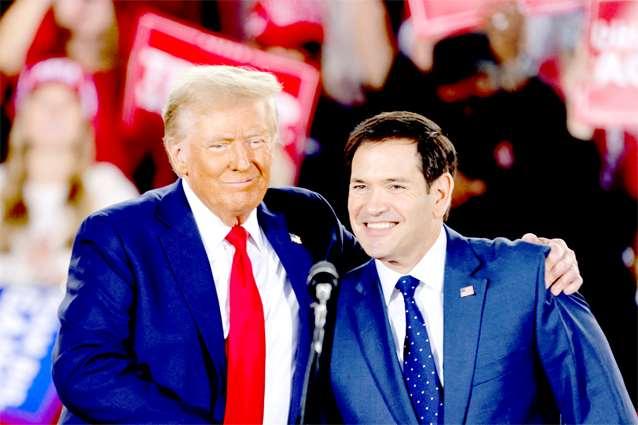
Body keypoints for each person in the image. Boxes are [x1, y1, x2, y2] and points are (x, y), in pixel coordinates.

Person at [52, 66, 582, 424]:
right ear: (178, 154)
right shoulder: (120, 235)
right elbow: (86, 369)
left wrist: (515, 259)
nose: (243, 160)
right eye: (220, 145)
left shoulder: (306, 218)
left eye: (257, 140)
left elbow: (402, 255)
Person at [326, 111, 637, 424]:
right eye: (361, 186)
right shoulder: (330, 307)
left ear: (440, 194)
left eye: (395, 186)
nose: (373, 206)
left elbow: (605, 412)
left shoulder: (530, 275)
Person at [0, 57, 137, 287]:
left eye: (67, 103)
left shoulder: (107, 186)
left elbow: (137, 263)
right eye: (42, 102)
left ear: (84, 119)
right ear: (22, 115)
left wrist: (57, 268)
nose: (54, 112)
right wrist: (25, 270)